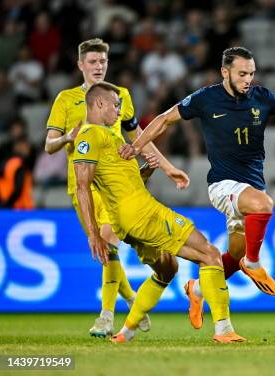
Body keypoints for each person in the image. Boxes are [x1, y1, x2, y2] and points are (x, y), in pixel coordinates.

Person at [119, 47, 275, 329]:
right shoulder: (206, 98)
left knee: (234, 254)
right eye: (242, 73)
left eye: (251, 73)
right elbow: (164, 119)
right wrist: (136, 146)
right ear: (225, 72)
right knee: (264, 205)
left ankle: (197, 289)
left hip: (250, 186)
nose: (247, 79)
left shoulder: (261, 97)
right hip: (222, 185)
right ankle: (253, 264)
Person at [74, 81, 245, 343]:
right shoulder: (89, 136)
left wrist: (148, 170)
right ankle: (223, 330)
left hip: (129, 221)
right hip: (143, 214)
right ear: (98, 103)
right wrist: (93, 234)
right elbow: (82, 186)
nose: (120, 110)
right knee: (209, 254)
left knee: (167, 270)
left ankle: (125, 334)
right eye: (115, 105)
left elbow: (119, 184)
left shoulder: (111, 136)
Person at [45, 38, 189, 338]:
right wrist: (67, 138)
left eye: (103, 62)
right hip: (82, 184)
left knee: (108, 239)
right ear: (80, 65)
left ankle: (106, 316)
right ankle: (133, 299)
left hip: (117, 184)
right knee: (104, 245)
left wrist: (167, 166)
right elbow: (49, 145)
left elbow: (138, 135)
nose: (99, 67)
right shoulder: (65, 99)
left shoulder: (119, 95)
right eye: (93, 62)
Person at [0, 135, 34, 209]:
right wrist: (8, 204)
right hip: (20, 208)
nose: (28, 149)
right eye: (26, 146)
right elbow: (18, 188)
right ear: (18, 146)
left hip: (7, 206)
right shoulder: (19, 164)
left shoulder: (6, 163)